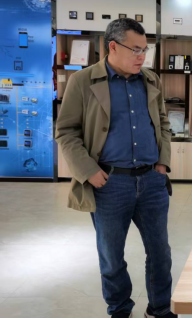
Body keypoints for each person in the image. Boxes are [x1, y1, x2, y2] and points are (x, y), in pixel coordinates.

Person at [55, 18, 175, 318]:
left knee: (160, 253)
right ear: (113, 46)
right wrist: (88, 171)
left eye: (145, 50)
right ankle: (120, 309)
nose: (142, 56)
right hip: (109, 183)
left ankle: (160, 308)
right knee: (111, 256)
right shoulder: (83, 81)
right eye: (135, 49)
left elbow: (162, 123)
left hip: (151, 180)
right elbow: (66, 131)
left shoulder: (150, 80)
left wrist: (162, 163)